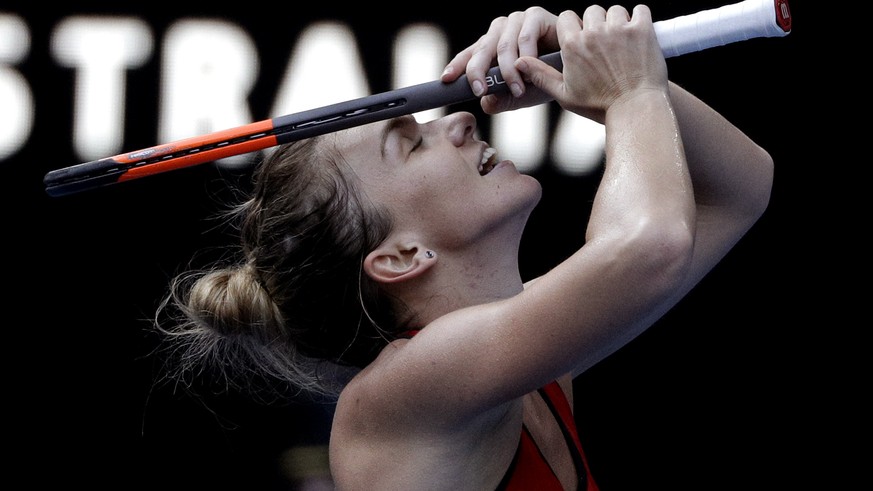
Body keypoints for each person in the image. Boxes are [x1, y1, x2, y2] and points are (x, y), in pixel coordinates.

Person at [154, 4, 774, 490]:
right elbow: (651, 245)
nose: (460, 120)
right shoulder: (403, 390)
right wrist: (629, 92)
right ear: (399, 256)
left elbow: (740, 187)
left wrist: (573, 68)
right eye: (412, 143)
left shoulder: (524, 368)